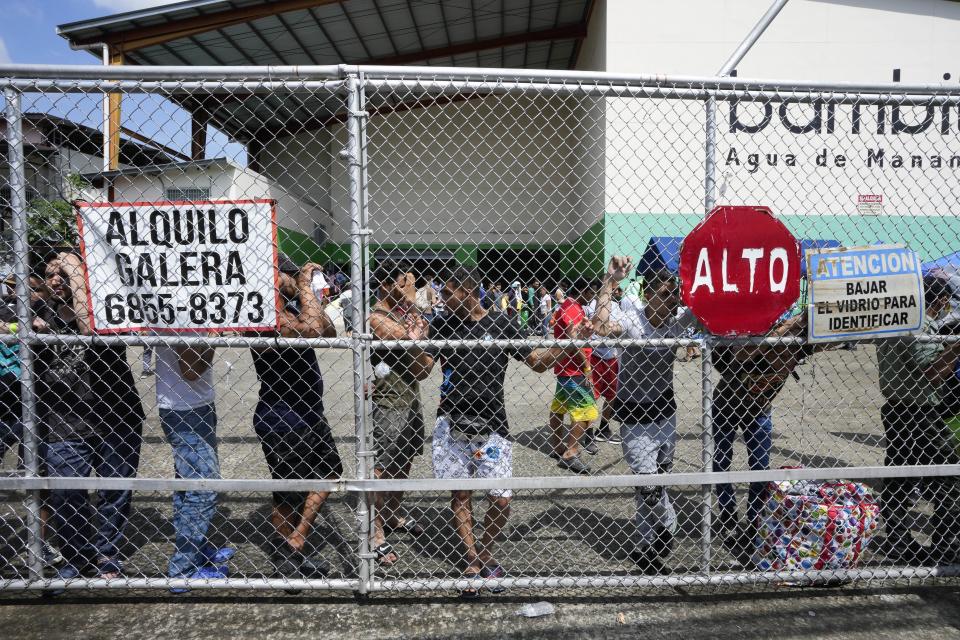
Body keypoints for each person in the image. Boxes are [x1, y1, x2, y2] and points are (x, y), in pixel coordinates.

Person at [429, 267, 583, 597]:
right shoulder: (442, 323)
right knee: (460, 495)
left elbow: (538, 363)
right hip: (450, 423)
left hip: (493, 426)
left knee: (501, 499)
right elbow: (423, 366)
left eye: (448, 293)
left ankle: (485, 552)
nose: (442, 299)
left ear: (467, 291)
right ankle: (472, 559)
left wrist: (571, 344)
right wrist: (405, 342)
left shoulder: (500, 323)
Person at [36, 253, 146, 585]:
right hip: (64, 419)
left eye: (63, 273)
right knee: (67, 493)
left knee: (114, 492)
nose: (56, 279)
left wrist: (73, 266)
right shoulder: (39, 314)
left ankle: (107, 552)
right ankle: (76, 555)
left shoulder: (109, 308)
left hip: (117, 415)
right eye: (49, 274)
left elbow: (89, 330)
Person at [593, 256, 697, 575]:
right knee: (649, 485)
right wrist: (610, 282)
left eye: (675, 294)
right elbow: (599, 325)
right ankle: (667, 526)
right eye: (666, 294)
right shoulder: (632, 319)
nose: (673, 300)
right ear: (649, 293)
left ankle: (643, 547)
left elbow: (709, 316)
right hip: (635, 419)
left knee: (654, 483)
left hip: (665, 414)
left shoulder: (679, 320)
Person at [251, 254, 342, 579]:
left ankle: (295, 542)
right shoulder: (264, 314)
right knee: (288, 492)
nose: (297, 279)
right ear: (278, 277)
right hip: (282, 416)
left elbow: (327, 330)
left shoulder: (293, 308)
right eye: (292, 275)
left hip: (309, 413)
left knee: (331, 472)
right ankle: (285, 556)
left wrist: (312, 296)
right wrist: (304, 285)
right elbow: (313, 331)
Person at [711, 313, 817, 557]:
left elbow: (827, 343)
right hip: (726, 406)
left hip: (759, 411)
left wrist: (810, 320)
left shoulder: (795, 348)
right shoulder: (755, 340)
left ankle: (754, 518)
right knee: (720, 460)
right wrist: (789, 326)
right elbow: (741, 355)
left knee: (760, 466)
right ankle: (727, 514)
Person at [877, 274, 960, 565]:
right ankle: (944, 540)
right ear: (939, 300)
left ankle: (899, 539)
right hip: (919, 411)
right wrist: (957, 346)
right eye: (947, 300)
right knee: (950, 472)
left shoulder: (896, 317)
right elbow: (933, 371)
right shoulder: (918, 323)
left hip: (901, 408)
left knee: (900, 475)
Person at [155, 324, 233, 590]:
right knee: (205, 487)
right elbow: (191, 370)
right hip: (183, 409)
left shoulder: (192, 313)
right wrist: (214, 338)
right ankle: (183, 568)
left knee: (188, 485)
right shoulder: (178, 316)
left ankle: (195, 550)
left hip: (195, 405)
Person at [368, 261, 434, 566]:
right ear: (387, 286)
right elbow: (403, 337)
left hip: (410, 398)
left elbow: (424, 360)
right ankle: (376, 531)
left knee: (405, 460)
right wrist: (415, 333)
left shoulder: (407, 315)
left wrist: (417, 334)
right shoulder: (377, 316)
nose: (413, 289)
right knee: (383, 468)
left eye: (413, 283)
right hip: (388, 402)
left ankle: (393, 513)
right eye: (405, 283)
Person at [548, 278, 598, 474]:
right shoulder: (572, 308)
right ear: (583, 290)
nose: (592, 296)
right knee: (587, 412)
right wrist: (587, 367)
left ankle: (558, 447)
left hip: (565, 368)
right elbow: (573, 339)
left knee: (559, 407)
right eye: (591, 292)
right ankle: (571, 453)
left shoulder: (569, 305)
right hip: (574, 370)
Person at [584, 279, 622, 445]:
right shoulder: (591, 305)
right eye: (613, 288)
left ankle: (604, 428)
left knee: (612, 395)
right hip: (595, 355)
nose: (616, 291)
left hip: (612, 356)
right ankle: (588, 432)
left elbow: (619, 326)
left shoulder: (617, 306)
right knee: (591, 396)